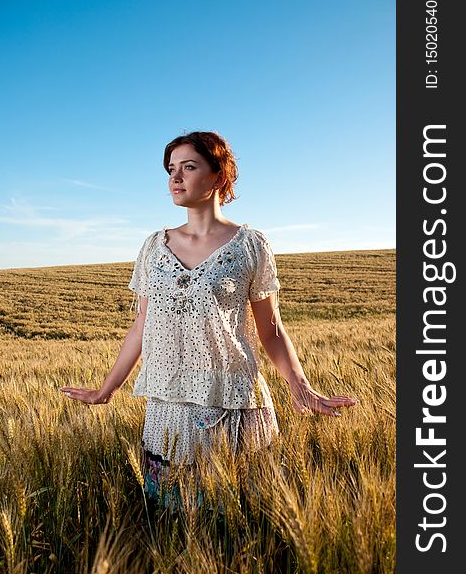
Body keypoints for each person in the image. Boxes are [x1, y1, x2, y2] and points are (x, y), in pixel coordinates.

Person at [60, 130, 357, 508]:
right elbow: (141, 328)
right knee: (171, 523)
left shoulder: (251, 246)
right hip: (167, 409)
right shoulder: (153, 247)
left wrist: (302, 388)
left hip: (232, 405)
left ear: (219, 176)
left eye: (189, 167)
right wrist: (107, 389)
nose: (175, 178)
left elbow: (272, 330)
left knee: (239, 520)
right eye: (171, 169)